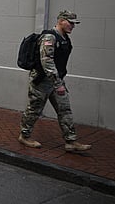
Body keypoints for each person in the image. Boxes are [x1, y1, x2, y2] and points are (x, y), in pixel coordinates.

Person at [18, 10, 92, 152]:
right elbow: (47, 62)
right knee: (34, 110)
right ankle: (24, 136)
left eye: (74, 23)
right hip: (41, 81)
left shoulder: (64, 38)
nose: (73, 26)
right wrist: (58, 83)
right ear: (61, 21)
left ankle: (71, 141)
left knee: (65, 109)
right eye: (70, 23)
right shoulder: (49, 37)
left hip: (56, 81)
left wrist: (59, 82)